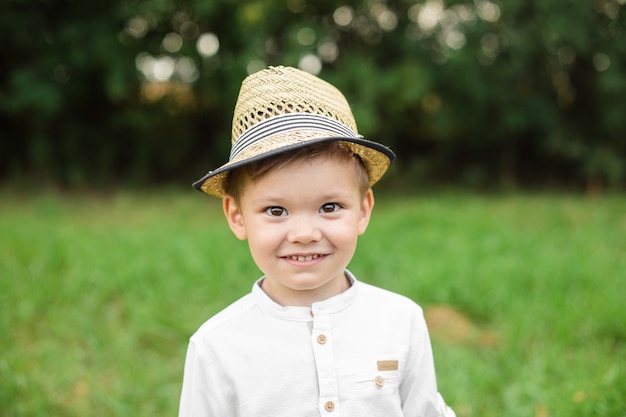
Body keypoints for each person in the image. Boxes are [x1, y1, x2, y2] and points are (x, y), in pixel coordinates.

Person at [179, 65, 455, 417]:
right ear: (237, 216)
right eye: (276, 211)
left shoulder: (401, 321)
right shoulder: (217, 346)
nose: (305, 234)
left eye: (329, 207)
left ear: (363, 210)